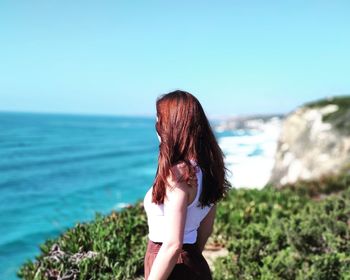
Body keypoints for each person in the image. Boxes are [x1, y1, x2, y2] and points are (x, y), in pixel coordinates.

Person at [143, 90, 231, 280]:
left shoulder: (178, 176)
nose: (156, 126)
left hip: (170, 266)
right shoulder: (207, 169)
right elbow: (206, 229)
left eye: (159, 120)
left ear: (171, 126)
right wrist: (189, 256)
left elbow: (173, 245)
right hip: (191, 263)